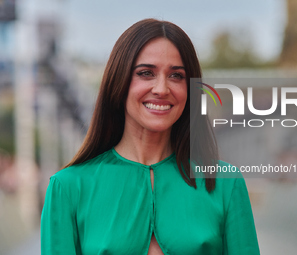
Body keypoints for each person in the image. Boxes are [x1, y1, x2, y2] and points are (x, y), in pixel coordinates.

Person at [41, 18, 260, 255]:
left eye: (176, 76)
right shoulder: (67, 188)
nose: (162, 89)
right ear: (119, 81)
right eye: (146, 73)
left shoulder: (226, 184)